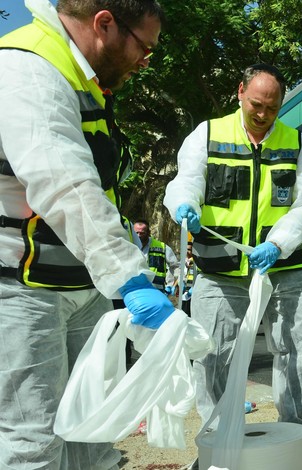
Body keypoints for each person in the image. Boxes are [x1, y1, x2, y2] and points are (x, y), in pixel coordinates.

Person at [0, 0, 172, 468]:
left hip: (79, 285)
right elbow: (64, 181)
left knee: (95, 426)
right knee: (35, 439)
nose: (146, 61)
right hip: (21, 287)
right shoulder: (30, 65)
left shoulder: (82, 78)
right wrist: (129, 277)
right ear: (104, 24)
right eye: (145, 47)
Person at [163, 63, 302, 460]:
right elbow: (186, 181)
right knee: (211, 354)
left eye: (272, 108)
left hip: (285, 268)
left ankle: (295, 436)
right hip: (220, 271)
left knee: (301, 350)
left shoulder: (297, 144)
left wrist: (279, 242)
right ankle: (219, 441)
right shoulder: (207, 135)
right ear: (240, 92)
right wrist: (184, 204)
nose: (262, 114)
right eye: (256, 104)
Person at [133, 218, 178, 294]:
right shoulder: (128, 246)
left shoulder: (162, 247)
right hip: (134, 289)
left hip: (156, 290)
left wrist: (171, 284)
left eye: (142, 233)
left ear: (148, 233)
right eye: (136, 233)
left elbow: (176, 266)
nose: (138, 236)